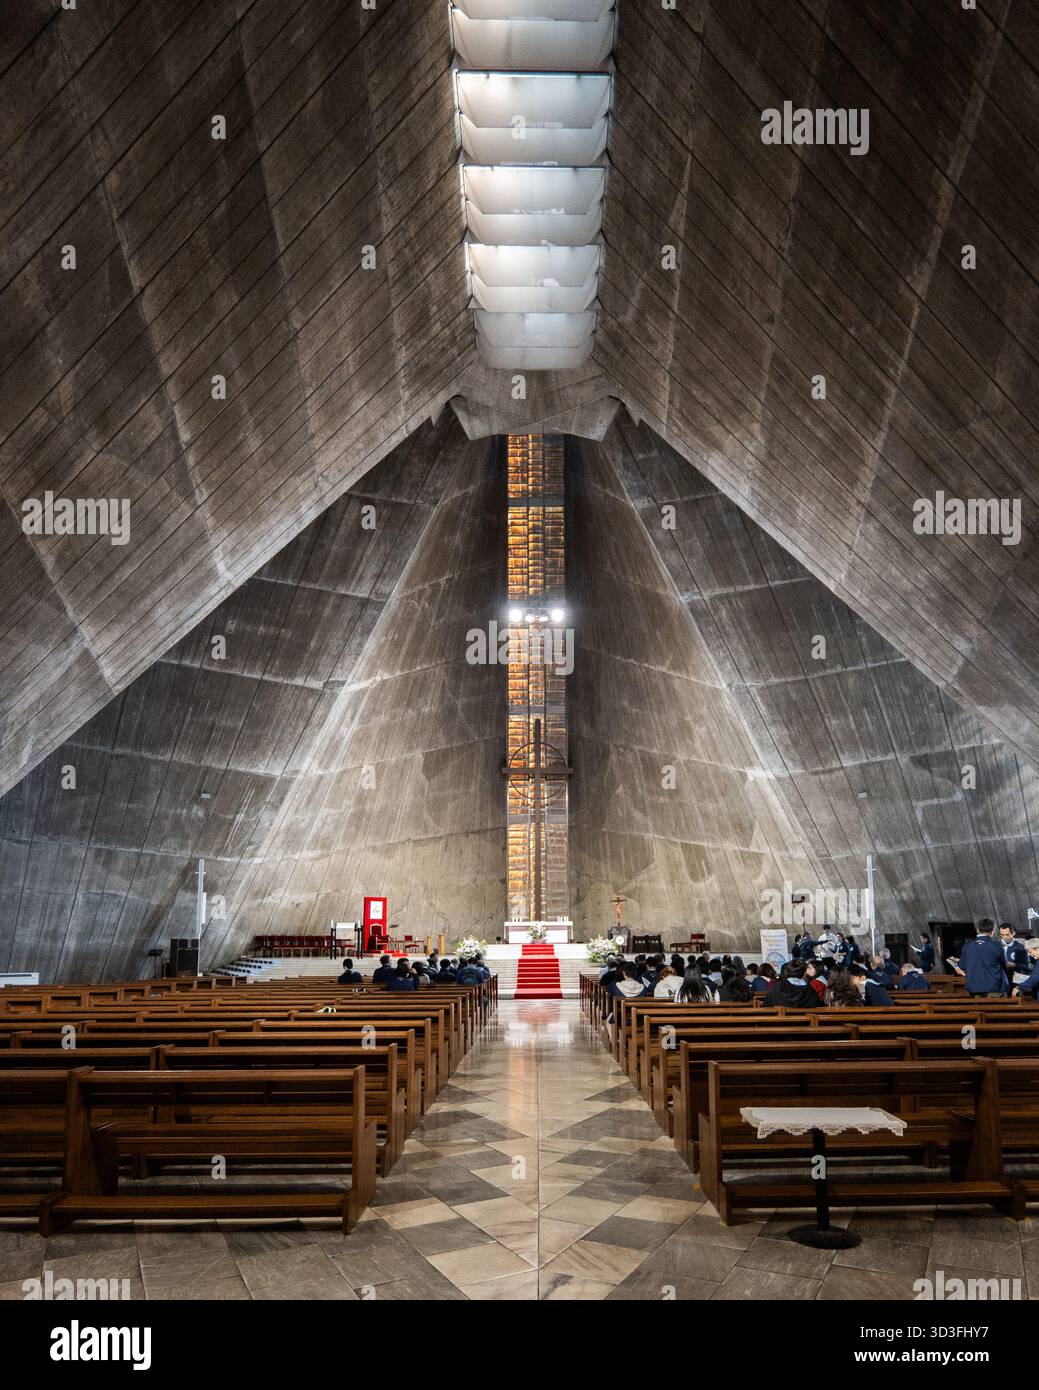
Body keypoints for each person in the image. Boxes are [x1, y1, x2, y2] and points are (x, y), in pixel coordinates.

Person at [958, 920, 1008, 997]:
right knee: (996, 1008)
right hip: (994, 986)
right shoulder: (997, 946)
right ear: (993, 930)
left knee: (977, 1009)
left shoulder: (967, 946)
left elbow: (962, 966)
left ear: (978, 929)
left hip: (974, 987)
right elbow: (1004, 965)